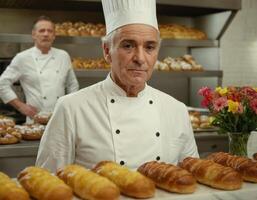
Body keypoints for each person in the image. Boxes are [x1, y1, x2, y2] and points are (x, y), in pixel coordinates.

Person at [36, 0, 199, 172]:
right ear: (107, 51)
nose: (140, 58)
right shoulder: (71, 108)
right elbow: (48, 184)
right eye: (128, 46)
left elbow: (194, 182)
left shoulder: (177, 110)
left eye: (150, 47)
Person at [0, 16, 79, 123]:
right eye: (42, 31)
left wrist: (70, 107)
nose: (46, 34)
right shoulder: (22, 58)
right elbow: (2, 83)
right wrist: (21, 106)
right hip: (35, 121)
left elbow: (72, 85)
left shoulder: (63, 56)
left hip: (61, 119)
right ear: (34, 35)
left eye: (50, 31)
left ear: (54, 35)